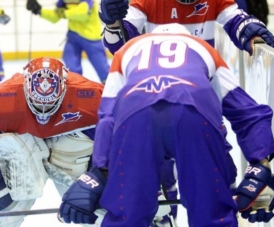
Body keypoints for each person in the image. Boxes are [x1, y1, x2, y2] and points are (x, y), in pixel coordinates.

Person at [59, 23, 274, 226]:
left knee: (126, 213)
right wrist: (260, 165)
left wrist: (100, 171)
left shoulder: (126, 50)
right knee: (212, 213)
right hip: (193, 111)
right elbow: (247, 112)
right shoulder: (204, 48)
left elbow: (107, 116)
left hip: (136, 115)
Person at [0, 57, 105, 227]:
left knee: (85, 203)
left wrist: (96, 176)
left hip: (71, 135)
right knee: (14, 196)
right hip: (25, 135)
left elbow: (111, 137)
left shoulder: (91, 95)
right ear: (25, 87)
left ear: (64, 87)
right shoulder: (1, 97)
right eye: (37, 102)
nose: (43, 110)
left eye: (49, 104)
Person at [98, 0, 274, 56]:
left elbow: (237, 20)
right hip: (157, 82)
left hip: (203, 80)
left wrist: (254, 34)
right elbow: (118, 45)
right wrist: (113, 22)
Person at [25, 0, 110, 83]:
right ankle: (75, 86)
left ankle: (110, 87)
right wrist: (39, 10)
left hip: (91, 37)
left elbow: (82, 14)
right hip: (73, 36)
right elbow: (55, 16)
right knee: (71, 66)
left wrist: (64, 13)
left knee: (102, 68)